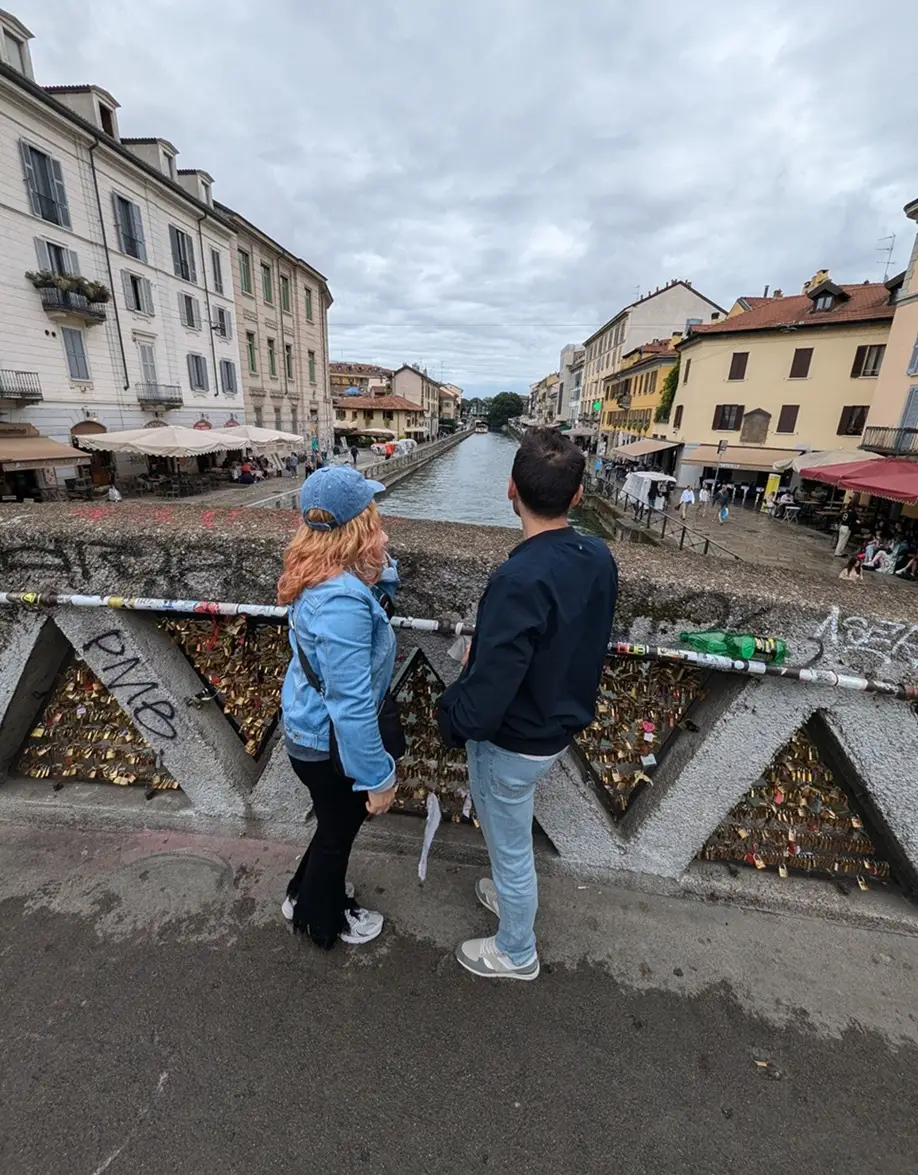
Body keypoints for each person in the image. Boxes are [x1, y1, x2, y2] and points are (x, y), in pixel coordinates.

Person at [438, 428, 618, 981]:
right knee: (508, 837)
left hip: (514, 738)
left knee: (511, 846)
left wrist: (450, 718)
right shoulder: (598, 555)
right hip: (556, 725)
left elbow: (491, 687)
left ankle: (517, 951)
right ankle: (509, 897)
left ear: (510, 490)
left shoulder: (518, 577)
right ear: (578, 495)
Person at [277, 465, 398, 948]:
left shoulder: (315, 572)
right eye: (373, 513)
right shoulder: (342, 601)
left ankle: (299, 893)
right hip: (329, 743)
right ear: (359, 525)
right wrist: (378, 779)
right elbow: (352, 705)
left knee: (331, 824)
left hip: (307, 729)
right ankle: (323, 919)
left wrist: (379, 573)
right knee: (338, 832)